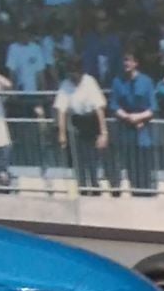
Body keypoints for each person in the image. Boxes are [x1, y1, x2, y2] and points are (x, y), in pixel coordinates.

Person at [54, 55, 109, 193]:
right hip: (77, 124)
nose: (73, 75)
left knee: (92, 159)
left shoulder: (89, 82)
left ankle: (95, 187)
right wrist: (62, 134)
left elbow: (99, 108)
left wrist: (103, 132)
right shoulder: (65, 85)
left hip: (91, 123)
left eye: (75, 71)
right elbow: (61, 110)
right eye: (70, 72)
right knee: (78, 161)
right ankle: (82, 188)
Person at [109, 51, 158, 195]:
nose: (126, 63)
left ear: (136, 63)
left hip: (144, 131)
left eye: (129, 60)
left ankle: (147, 193)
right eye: (124, 60)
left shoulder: (146, 81)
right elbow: (114, 105)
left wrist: (139, 117)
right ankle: (135, 194)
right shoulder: (117, 81)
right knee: (130, 166)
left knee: (145, 166)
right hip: (126, 130)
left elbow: (153, 108)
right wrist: (128, 117)